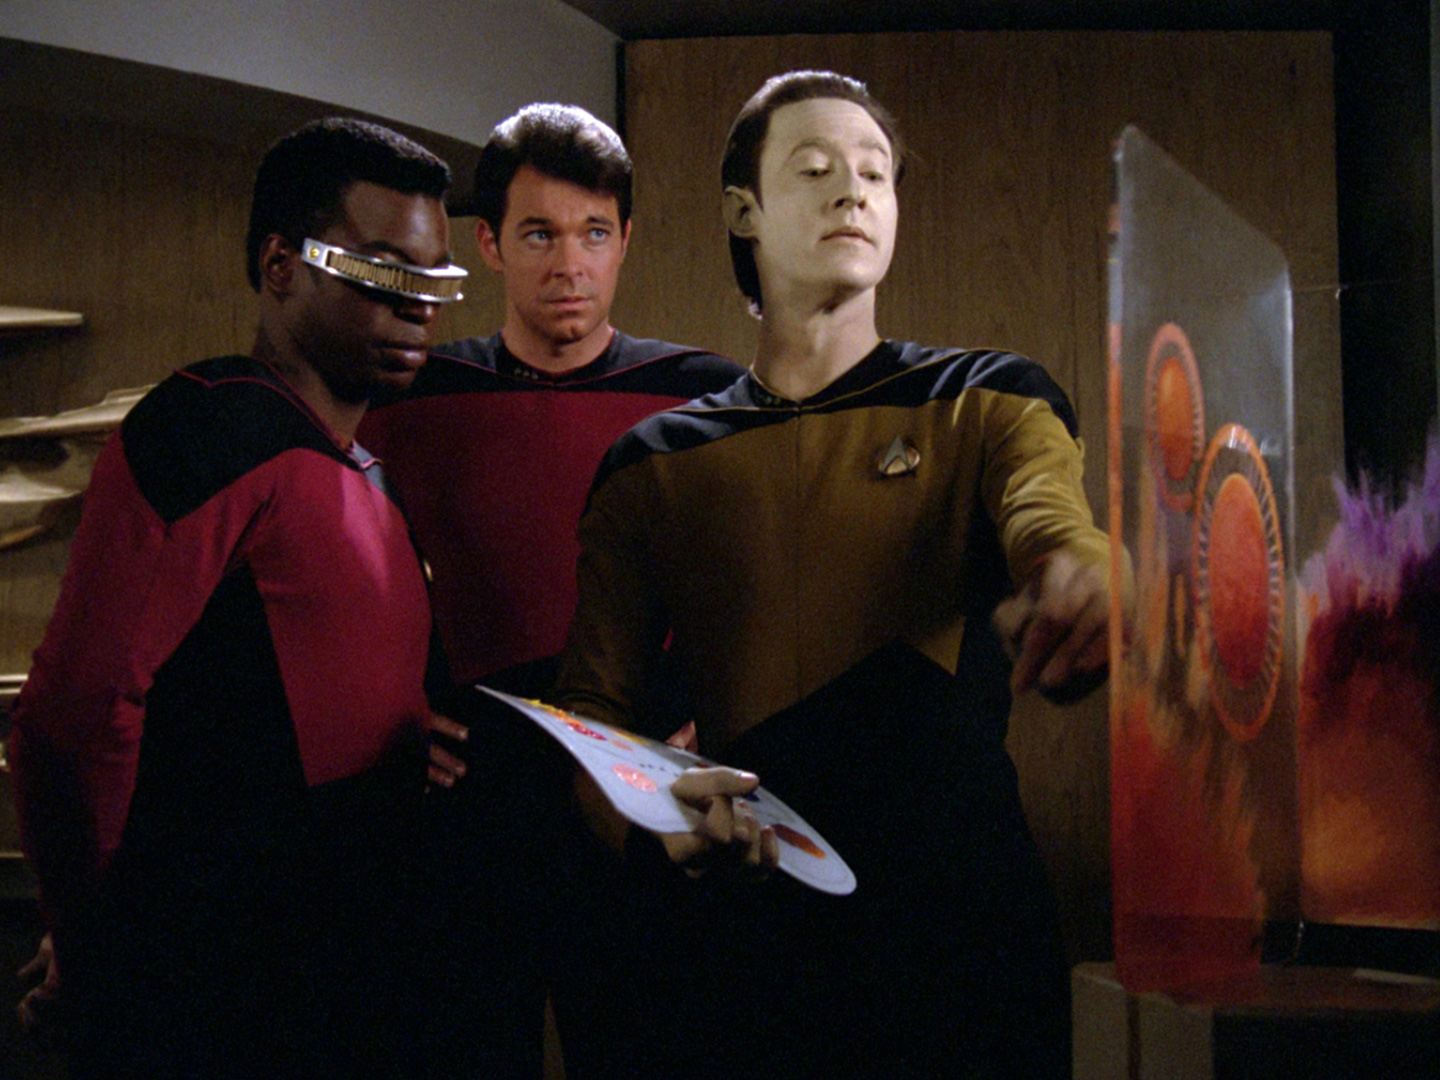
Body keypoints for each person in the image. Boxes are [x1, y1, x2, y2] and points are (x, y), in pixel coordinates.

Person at [554, 70, 1127, 1079]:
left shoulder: (989, 397)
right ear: (744, 210)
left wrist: (1082, 571)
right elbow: (592, 717)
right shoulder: (650, 466)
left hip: (963, 937)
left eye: (875, 172)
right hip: (745, 946)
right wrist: (654, 820)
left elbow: (1050, 518)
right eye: (815, 169)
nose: (853, 191)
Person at [9, 117, 467, 1080]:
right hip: (222, 992)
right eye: (382, 270)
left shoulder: (369, 475)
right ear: (280, 267)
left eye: (433, 279)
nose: (417, 306)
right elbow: (71, 716)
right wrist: (90, 946)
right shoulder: (212, 425)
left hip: (352, 975)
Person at [353, 104, 745, 1079]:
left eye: (593, 233)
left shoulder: (706, 397)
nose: (570, 264)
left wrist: (722, 717)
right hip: (472, 800)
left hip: (643, 786)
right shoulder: (414, 397)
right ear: (489, 244)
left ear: (626, 241)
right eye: (539, 234)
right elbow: (344, 581)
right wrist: (391, 711)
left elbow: (762, 587)